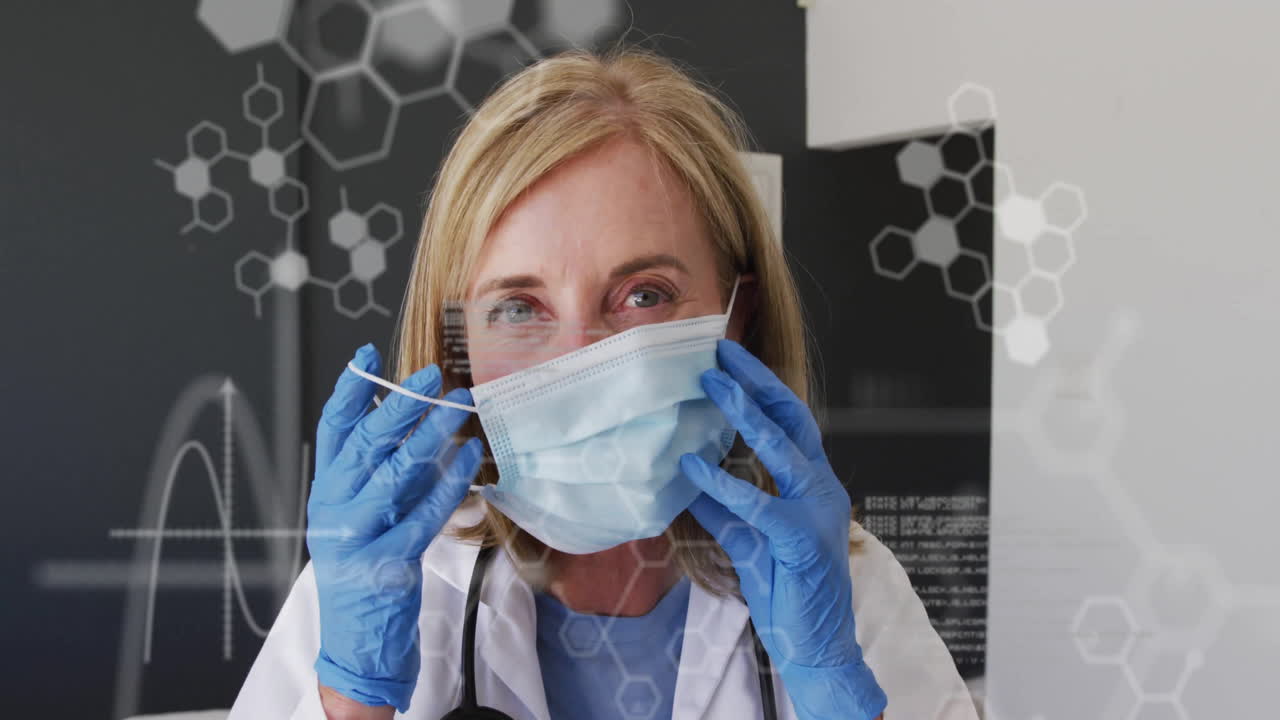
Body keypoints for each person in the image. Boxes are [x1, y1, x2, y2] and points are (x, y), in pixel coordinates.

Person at [228, 47, 977, 720]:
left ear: (736, 315)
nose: (581, 357)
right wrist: (351, 701)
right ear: (458, 341)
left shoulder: (842, 590)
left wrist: (837, 692)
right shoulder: (376, 588)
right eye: (518, 307)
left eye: (644, 294)